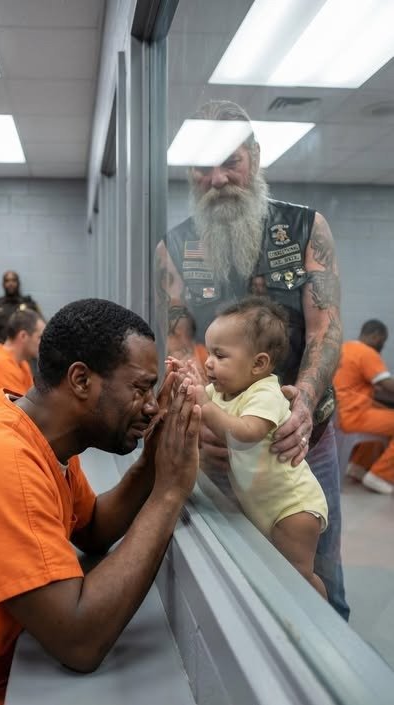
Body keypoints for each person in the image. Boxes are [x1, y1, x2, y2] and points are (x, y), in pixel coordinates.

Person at [0, 298, 201, 705]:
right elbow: (79, 641)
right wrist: (168, 493)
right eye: (140, 388)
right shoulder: (2, 461)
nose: (151, 405)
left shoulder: (41, 436)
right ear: (81, 380)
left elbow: (93, 527)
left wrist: (151, 464)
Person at [155, 99, 348, 619]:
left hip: (303, 440)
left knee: (321, 575)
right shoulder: (174, 248)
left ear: (255, 159)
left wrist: (301, 406)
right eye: (203, 167)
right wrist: (201, 424)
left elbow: (325, 330)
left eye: (231, 163)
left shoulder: (306, 229)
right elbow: (177, 344)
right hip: (227, 446)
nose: (218, 179)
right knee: (243, 574)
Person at [171, 297, 328, 597]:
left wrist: (205, 405)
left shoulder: (266, 393)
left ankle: (320, 613)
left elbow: (246, 433)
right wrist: (187, 382)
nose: (208, 362)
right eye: (209, 352)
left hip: (292, 507)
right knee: (278, 574)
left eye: (220, 355)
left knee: (298, 576)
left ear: (258, 364)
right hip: (264, 504)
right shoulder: (223, 391)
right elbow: (199, 401)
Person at [333, 319, 394, 494]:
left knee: (382, 414)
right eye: (382, 341)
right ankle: (380, 475)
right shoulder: (367, 353)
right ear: (376, 336)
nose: (382, 346)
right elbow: (387, 384)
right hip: (353, 415)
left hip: (337, 415)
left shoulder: (344, 349)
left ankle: (358, 467)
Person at [0, 271, 42, 350]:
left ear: (18, 283)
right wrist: (4, 345)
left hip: (23, 352)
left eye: (13, 280)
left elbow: (40, 327)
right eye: (7, 281)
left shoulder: (29, 304)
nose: (10, 283)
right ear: (3, 284)